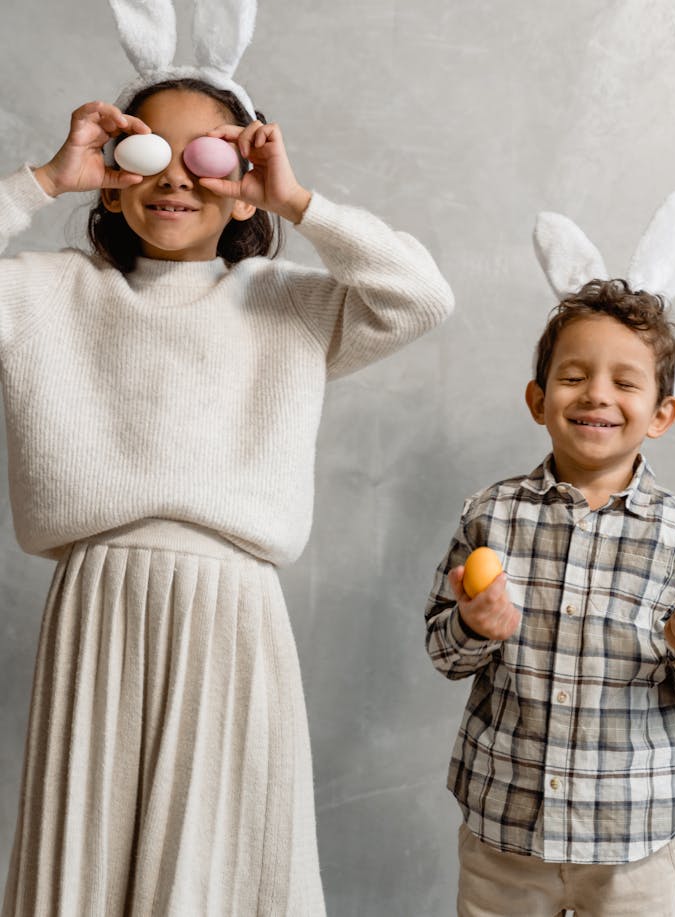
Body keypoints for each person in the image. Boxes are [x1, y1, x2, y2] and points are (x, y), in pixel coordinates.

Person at [0, 75, 454, 916]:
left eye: (203, 157)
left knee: (223, 859)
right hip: (97, 604)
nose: (175, 177)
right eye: (146, 154)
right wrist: (45, 179)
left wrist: (297, 200)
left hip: (231, 610)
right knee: (87, 863)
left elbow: (422, 295)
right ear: (111, 175)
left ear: (242, 183)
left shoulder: (289, 304)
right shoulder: (45, 293)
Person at [425, 278, 675, 917]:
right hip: (505, 828)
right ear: (538, 400)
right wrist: (472, 624)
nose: (598, 393)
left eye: (626, 383)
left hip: (634, 836)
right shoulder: (491, 515)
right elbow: (443, 654)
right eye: (574, 376)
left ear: (661, 413)